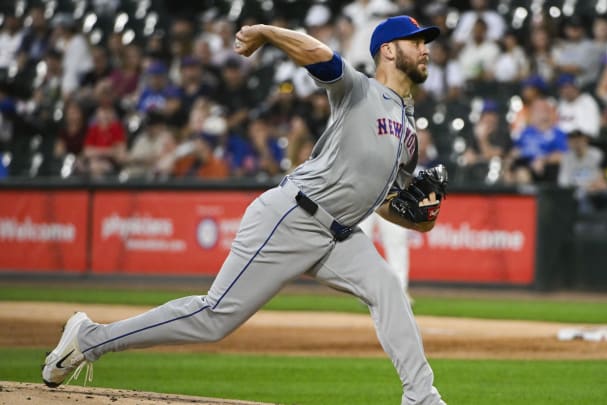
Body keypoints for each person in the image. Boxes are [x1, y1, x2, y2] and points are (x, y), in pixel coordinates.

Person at [42, 15, 448, 405]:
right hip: (294, 215)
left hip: (339, 236)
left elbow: (384, 203)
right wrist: (266, 32)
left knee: (388, 288)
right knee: (214, 318)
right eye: (416, 42)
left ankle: (422, 398)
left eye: (425, 42)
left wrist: (420, 219)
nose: (424, 49)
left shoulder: (409, 130)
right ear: (389, 51)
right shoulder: (358, 90)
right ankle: (89, 337)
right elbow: (320, 55)